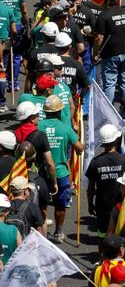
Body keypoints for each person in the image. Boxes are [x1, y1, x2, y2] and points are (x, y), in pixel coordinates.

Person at [38, 95, 84, 243]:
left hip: (42, 172)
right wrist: (78, 135)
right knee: (60, 205)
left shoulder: (39, 126)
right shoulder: (65, 128)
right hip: (61, 173)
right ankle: (58, 232)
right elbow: (79, 148)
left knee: (42, 204)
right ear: (59, 112)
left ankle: (42, 232)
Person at [86, 125, 125, 243]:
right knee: (121, 233)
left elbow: (91, 187)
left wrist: (90, 204)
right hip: (122, 205)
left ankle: (103, 258)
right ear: (116, 140)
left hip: (102, 206)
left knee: (102, 235)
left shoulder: (96, 162)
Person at [94, 0, 125, 103]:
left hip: (110, 54)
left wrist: (95, 53)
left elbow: (99, 38)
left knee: (109, 83)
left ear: (108, 2)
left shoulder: (103, 16)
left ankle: (109, 111)